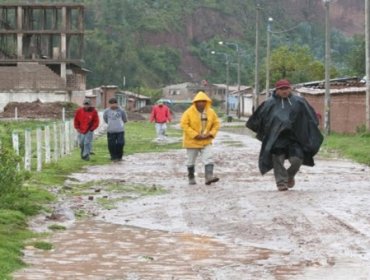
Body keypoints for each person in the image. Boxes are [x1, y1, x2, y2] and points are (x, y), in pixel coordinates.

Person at [246, 79, 323, 191]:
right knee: (278, 160)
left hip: (295, 138)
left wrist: (314, 120)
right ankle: (281, 182)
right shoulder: (269, 104)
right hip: (277, 138)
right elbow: (259, 119)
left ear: (290, 88)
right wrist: (266, 133)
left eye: (286, 88)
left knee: (297, 160)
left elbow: (309, 115)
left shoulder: (299, 101)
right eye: (281, 89)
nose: (284, 91)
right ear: (277, 90)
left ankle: (289, 175)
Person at [180, 91, 220, 185]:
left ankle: (208, 177)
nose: (201, 103)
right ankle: (191, 177)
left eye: (203, 101)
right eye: (199, 101)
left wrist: (210, 134)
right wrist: (195, 135)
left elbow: (216, 124)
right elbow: (184, 125)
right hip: (192, 141)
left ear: (207, 102)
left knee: (209, 158)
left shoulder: (211, 112)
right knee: (191, 161)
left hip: (206, 140)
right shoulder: (188, 112)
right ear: (195, 102)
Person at [103, 97, 128, 162]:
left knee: (120, 143)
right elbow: (105, 119)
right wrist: (111, 124)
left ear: (117, 104)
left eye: (114, 103)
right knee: (111, 144)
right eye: (111, 104)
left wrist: (120, 124)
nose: (113, 105)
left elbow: (124, 119)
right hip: (110, 130)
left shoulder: (121, 110)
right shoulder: (106, 111)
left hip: (120, 130)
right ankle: (113, 157)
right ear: (109, 104)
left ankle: (119, 156)